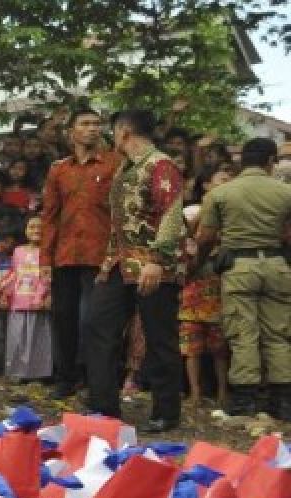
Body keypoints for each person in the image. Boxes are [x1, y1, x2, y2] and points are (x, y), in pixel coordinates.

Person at [85, 109, 185, 433]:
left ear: (124, 131)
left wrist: (157, 259)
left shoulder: (161, 164)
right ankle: (103, 406)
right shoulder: (124, 170)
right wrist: (107, 263)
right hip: (118, 263)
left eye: (113, 132)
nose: (111, 138)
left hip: (155, 265)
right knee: (99, 326)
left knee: (159, 337)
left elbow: (171, 213)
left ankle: (166, 411)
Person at [196, 137, 291, 420]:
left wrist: (199, 264)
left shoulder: (222, 193)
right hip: (277, 266)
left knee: (243, 333)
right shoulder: (286, 192)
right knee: (279, 334)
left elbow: (205, 237)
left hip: (239, 267)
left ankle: (245, 402)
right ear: (271, 161)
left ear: (242, 161)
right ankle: (282, 403)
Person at [39, 108, 121, 400]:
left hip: (101, 256)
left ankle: (94, 380)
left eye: (97, 124)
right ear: (71, 132)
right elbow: (49, 216)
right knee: (64, 318)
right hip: (65, 255)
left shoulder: (115, 164)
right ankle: (66, 378)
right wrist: (44, 260)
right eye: (85, 124)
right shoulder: (58, 169)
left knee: (94, 321)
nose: (92, 129)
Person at [179, 166, 233, 410]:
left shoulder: (234, 213)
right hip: (193, 287)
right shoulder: (192, 212)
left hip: (220, 288)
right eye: (222, 179)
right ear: (206, 186)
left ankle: (222, 390)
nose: (227, 184)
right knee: (192, 345)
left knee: (220, 346)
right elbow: (187, 240)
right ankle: (195, 392)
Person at [0, 215, 52, 381]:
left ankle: (37, 374)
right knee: (17, 337)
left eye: (40, 227)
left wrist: (43, 297)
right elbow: (14, 274)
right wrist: (4, 293)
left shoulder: (47, 252)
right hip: (18, 300)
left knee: (37, 338)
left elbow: (47, 277)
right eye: (32, 226)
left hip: (38, 302)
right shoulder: (18, 251)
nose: (36, 230)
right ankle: (17, 372)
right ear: (25, 230)